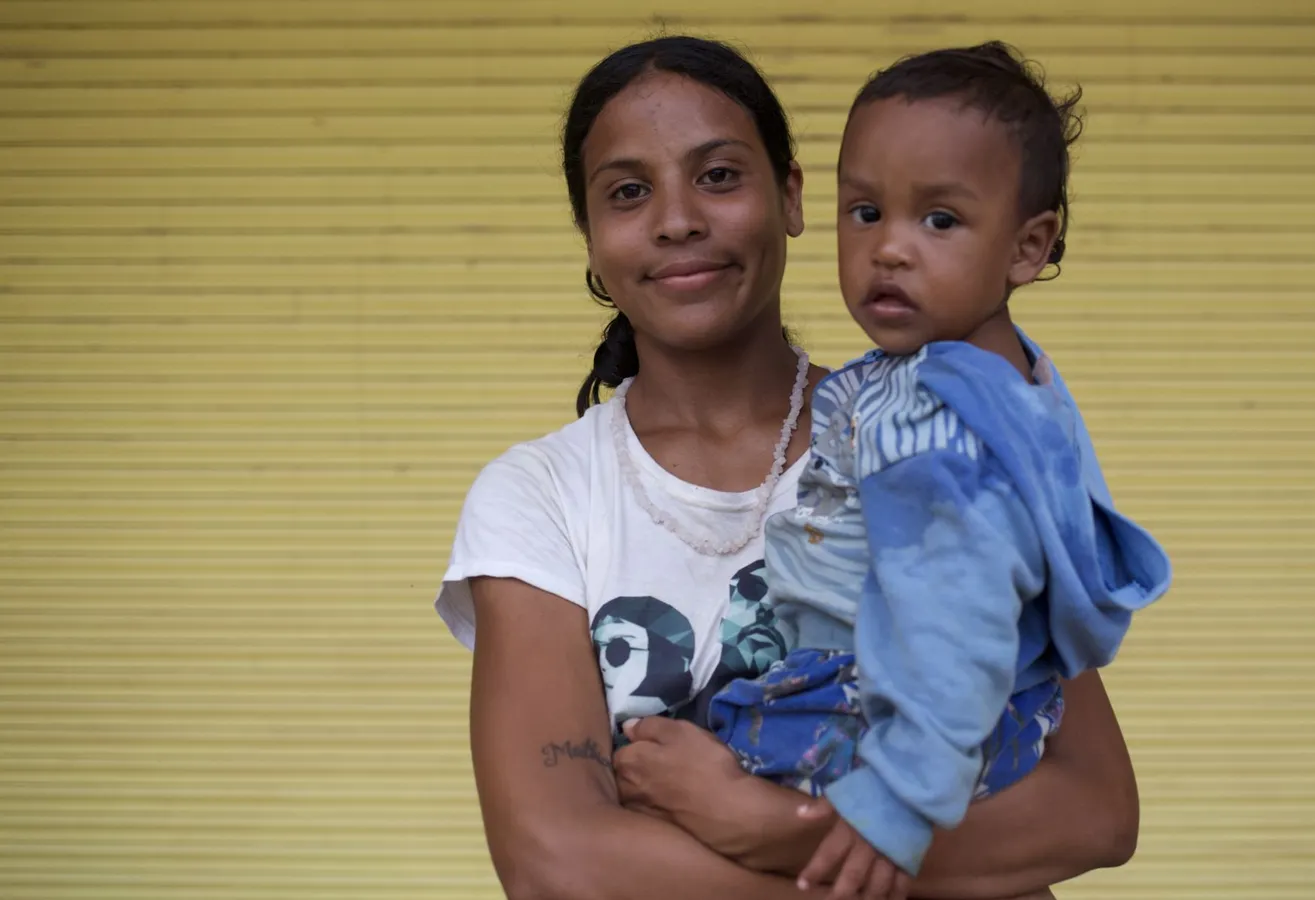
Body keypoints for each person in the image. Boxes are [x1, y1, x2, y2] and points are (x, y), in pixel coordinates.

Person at [436, 35, 1141, 900]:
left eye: (718, 176)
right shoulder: (538, 497)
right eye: (628, 192)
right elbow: (559, 866)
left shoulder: (928, 432)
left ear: (794, 196)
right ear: (590, 237)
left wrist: (770, 829)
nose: (676, 219)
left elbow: (1094, 809)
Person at [705, 43, 1173, 900]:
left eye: (941, 221)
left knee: (674, 785)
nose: (889, 249)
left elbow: (957, 614)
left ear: (1028, 248)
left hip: (890, 711)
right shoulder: (998, 379)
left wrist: (900, 796)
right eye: (866, 212)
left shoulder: (935, 423)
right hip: (969, 711)